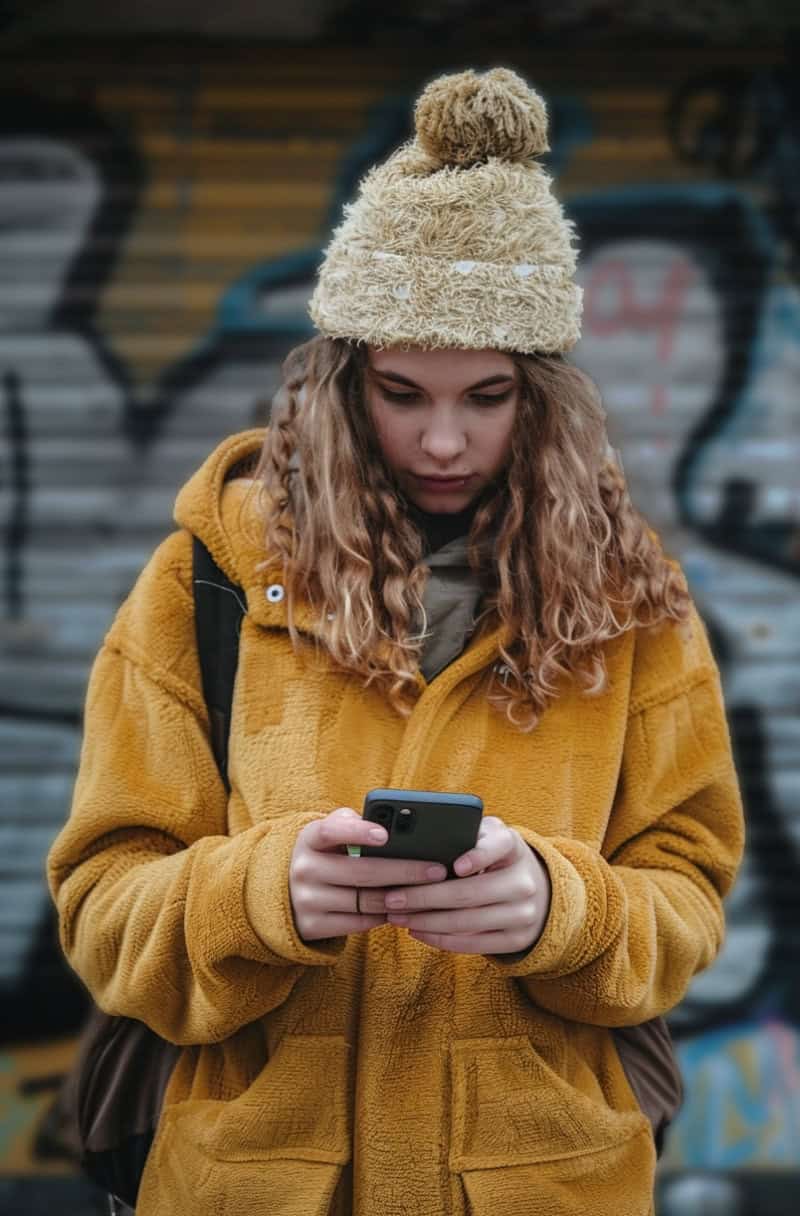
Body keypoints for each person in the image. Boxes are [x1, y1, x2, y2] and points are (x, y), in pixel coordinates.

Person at [48, 68, 744, 1216]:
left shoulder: (632, 603)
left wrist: (557, 913)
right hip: (255, 1186)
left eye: (486, 395)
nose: (439, 439)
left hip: (538, 1187)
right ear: (336, 382)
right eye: (398, 389)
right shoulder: (207, 578)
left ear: (543, 397)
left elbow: (685, 899)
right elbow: (102, 905)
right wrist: (260, 894)